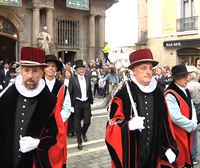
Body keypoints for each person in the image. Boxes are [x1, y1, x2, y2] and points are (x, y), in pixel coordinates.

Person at [105, 48, 178, 168]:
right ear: (133, 70)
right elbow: (111, 126)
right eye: (143, 68)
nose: (148, 72)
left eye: (150, 68)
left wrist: (167, 147)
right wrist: (128, 125)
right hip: (132, 156)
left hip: (152, 153)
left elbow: (165, 123)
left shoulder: (158, 93)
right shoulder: (123, 94)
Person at [0, 47, 58, 168]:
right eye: (26, 70)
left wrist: (38, 143)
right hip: (6, 158)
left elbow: (54, 133)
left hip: (34, 161)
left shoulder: (50, 100)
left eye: (35, 71)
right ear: (20, 71)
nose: (30, 75)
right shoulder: (7, 95)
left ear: (42, 72)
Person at [165, 64, 197, 168]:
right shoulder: (170, 93)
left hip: (186, 130)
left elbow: (191, 107)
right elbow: (175, 117)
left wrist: (194, 122)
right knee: (180, 157)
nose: (187, 79)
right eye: (185, 76)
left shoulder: (185, 89)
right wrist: (191, 125)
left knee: (187, 152)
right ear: (177, 78)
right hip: (177, 132)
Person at [44, 54, 71, 168]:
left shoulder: (63, 88)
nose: (50, 68)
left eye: (53, 66)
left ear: (56, 69)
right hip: (41, 127)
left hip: (57, 127)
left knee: (56, 156)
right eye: (48, 66)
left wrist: (56, 120)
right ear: (44, 68)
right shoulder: (37, 86)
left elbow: (67, 108)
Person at [68, 59, 93, 150]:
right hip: (77, 103)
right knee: (77, 124)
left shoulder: (87, 77)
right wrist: (70, 106)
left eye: (83, 69)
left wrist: (91, 101)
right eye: (80, 69)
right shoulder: (72, 79)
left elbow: (89, 90)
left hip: (86, 102)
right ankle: (79, 142)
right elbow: (70, 93)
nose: (82, 70)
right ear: (76, 70)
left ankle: (83, 132)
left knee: (87, 122)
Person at [185, 65, 200, 165]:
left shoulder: (188, 86)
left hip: (191, 107)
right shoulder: (198, 85)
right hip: (198, 106)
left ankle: (193, 155)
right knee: (195, 131)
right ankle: (194, 155)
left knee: (193, 132)